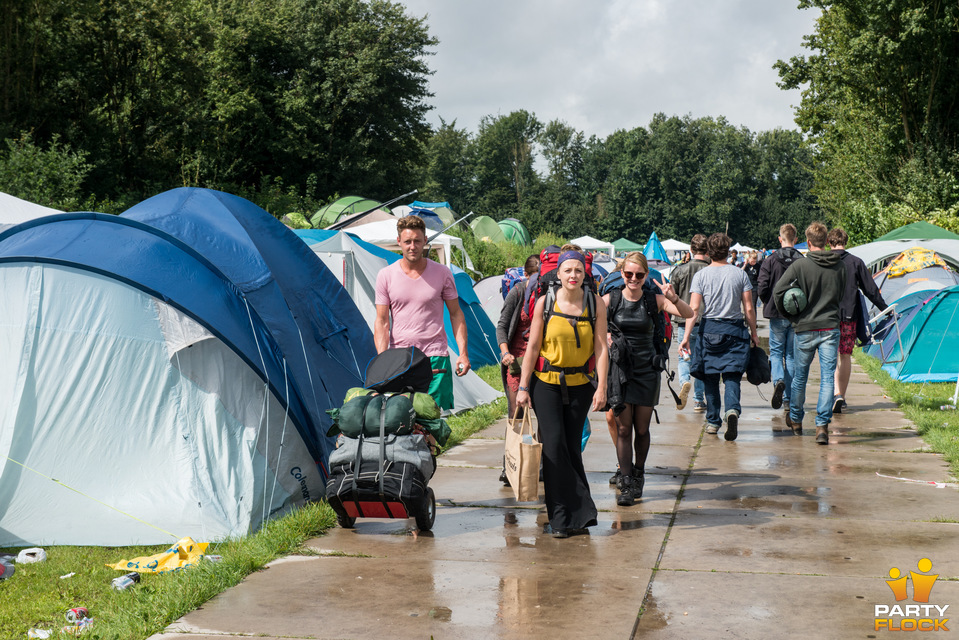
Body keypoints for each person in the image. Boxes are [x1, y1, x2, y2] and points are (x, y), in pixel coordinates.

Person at [517, 250, 608, 538]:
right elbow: (532, 347)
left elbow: (601, 348)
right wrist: (522, 386)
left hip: (581, 384)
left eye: (578, 271)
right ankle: (560, 518)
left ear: (585, 275)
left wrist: (602, 386)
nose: (573, 275)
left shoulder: (595, 304)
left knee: (571, 448)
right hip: (546, 384)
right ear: (558, 274)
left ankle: (578, 517)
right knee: (553, 449)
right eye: (567, 270)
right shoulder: (546, 303)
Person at [604, 252, 692, 506]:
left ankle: (639, 473)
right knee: (622, 428)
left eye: (639, 275)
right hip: (619, 371)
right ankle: (626, 482)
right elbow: (590, 319)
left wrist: (674, 298)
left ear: (645, 276)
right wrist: (605, 337)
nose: (633, 279)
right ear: (622, 274)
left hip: (647, 371)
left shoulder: (655, 300)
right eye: (629, 274)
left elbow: (688, 314)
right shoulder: (611, 299)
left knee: (641, 428)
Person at [374, 215, 470, 411]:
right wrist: (382, 363)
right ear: (399, 242)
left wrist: (463, 353)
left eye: (417, 241)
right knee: (401, 421)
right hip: (400, 359)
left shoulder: (443, 273)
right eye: (407, 241)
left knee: (436, 420)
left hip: (435, 356)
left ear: (425, 241)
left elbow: (456, 314)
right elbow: (382, 322)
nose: (412, 246)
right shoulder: (386, 276)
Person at [679, 233, 759, 441]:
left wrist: (686, 336)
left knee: (710, 377)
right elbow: (749, 308)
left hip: (709, 330)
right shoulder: (739, 274)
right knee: (732, 375)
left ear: (708, 252)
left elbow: (694, 309)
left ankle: (714, 421)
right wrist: (754, 333)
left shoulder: (701, 276)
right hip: (734, 330)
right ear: (728, 250)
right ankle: (732, 410)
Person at [773, 222, 846, 445]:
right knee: (826, 379)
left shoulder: (800, 265)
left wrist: (792, 317)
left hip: (804, 328)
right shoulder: (839, 266)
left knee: (800, 378)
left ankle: (795, 420)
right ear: (825, 241)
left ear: (808, 240)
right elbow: (842, 295)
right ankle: (822, 426)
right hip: (830, 328)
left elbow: (778, 292)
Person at [827, 227, 887, 414]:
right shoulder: (856, 262)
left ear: (830, 243)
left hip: (826, 317)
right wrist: (885, 308)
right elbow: (871, 290)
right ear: (846, 242)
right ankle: (840, 395)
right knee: (845, 355)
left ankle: (830, 394)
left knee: (827, 356)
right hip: (848, 316)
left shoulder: (823, 261)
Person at [496, 254, 541, 485]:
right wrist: (505, 353)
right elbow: (502, 326)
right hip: (515, 361)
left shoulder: (546, 293)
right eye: (534, 278)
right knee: (516, 413)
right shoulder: (518, 292)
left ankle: (540, 464)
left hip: (542, 362)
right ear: (526, 275)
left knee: (544, 414)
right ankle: (510, 464)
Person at [757, 223, 804, 418]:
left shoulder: (770, 260)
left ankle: (778, 381)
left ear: (780, 239)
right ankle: (788, 401)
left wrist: (767, 301)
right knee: (792, 356)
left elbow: (762, 286)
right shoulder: (802, 260)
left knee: (776, 352)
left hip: (776, 313)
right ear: (795, 238)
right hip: (795, 314)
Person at [668, 234, 710, 412]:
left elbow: (671, 294)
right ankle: (699, 400)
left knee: (683, 356)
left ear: (691, 250)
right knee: (700, 360)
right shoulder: (711, 270)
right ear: (707, 250)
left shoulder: (680, 270)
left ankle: (685, 381)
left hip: (684, 319)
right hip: (706, 320)